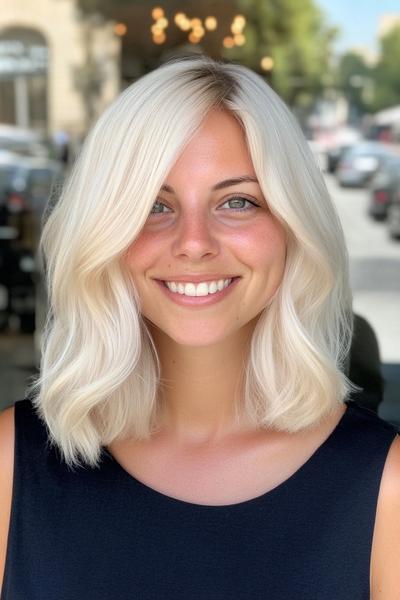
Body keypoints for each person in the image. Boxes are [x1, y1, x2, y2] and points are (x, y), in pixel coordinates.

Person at [0, 55, 399, 600]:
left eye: (238, 201)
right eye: (153, 206)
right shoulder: (9, 466)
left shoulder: (386, 491)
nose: (193, 242)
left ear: (292, 227)